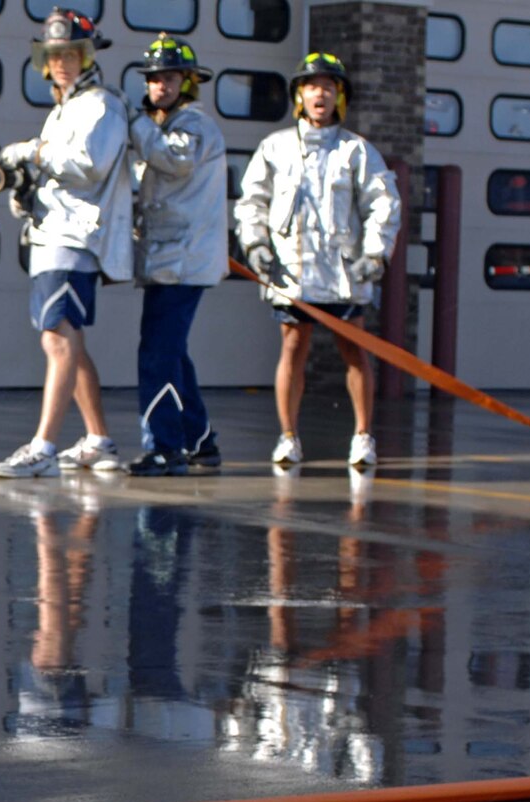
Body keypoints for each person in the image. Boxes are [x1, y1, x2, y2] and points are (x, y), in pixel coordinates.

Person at [232, 52, 400, 470]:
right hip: (291, 270)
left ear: (339, 96)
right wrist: (254, 245)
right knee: (293, 346)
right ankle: (288, 437)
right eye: (311, 86)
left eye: (328, 86)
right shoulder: (275, 147)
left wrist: (375, 254)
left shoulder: (357, 151)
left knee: (354, 350)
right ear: (299, 96)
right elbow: (251, 201)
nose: (319, 93)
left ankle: (363, 437)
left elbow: (384, 204)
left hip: (344, 273)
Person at [0, 7, 133, 479]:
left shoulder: (102, 105)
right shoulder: (64, 109)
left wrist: (33, 151)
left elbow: (89, 164)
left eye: (71, 53)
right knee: (69, 337)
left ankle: (44, 446)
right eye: (54, 55)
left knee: (57, 339)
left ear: (88, 55)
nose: (62, 63)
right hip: (52, 234)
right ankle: (98, 439)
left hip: (75, 238)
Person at [124, 34, 228, 477]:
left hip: (182, 263)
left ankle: (165, 447)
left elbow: (175, 162)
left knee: (158, 356)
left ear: (187, 82)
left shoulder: (194, 127)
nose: (158, 86)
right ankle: (200, 441)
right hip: (169, 260)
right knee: (173, 354)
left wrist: (134, 123)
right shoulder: (162, 127)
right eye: (153, 78)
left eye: (168, 77)